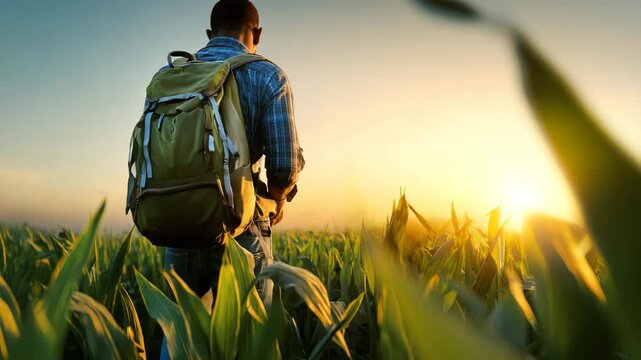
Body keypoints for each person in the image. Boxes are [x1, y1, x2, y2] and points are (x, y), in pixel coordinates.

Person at [159, 0, 304, 358]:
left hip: (181, 221)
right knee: (249, 337)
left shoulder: (176, 74)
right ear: (256, 34)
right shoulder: (268, 75)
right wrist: (279, 199)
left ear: (209, 34)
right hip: (243, 223)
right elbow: (284, 166)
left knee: (179, 331)